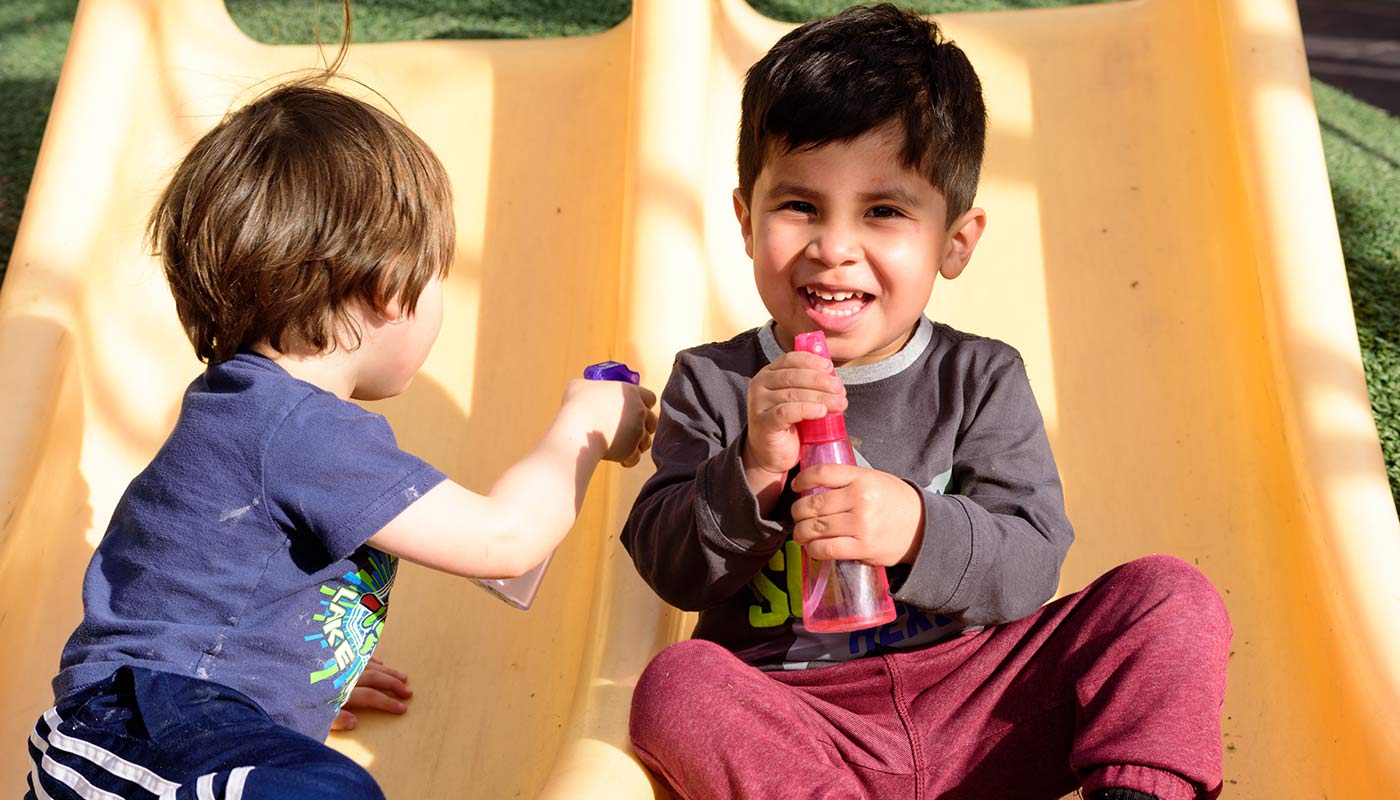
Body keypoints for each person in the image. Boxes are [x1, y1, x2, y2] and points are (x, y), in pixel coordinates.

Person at [622, 5, 1230, 799]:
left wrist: (914, 525)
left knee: (1167, 597)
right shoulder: (715, 382)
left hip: (981, 706)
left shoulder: (981, 378)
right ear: (745, 219)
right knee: (676, 685)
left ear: (955, 242)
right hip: (803, 725)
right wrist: (755, 464)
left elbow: (1030, 563)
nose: (833, 245)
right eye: (799, 205)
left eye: (883, 210)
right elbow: (670, 568)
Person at [25, 77, 657, 800]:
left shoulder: (241, 413)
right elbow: (506, 539)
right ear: (393, 285)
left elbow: (208, 594)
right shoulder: (298, 427)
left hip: (148, 735)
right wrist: (587, 423)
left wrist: (286, 673)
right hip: (148, 732)